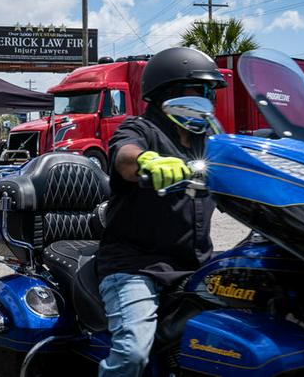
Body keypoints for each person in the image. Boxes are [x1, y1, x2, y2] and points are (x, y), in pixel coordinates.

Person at [95, 47, 227, 377]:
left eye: (209, 92)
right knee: (133, 353)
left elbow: (240, 162)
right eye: (198, 91)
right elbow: (124, 155)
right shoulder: (140, 129)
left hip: (195, 265)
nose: (206, 99)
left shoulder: (208, 139)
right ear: (167, 93)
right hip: (138, 265)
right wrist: (146, 161)